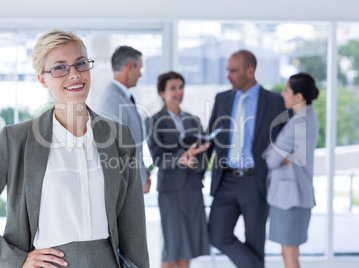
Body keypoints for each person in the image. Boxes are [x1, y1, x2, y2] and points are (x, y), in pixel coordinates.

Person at [0, 28, 149, 268]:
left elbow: (133, 225)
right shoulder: (16, 139)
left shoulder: (119, 136)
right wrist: (13, 260)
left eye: (80, 63)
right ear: (42, 78)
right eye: (60, 68)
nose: (74, 74)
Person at [206, 50, 285, 268]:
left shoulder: (276, 101)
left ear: (250, 71)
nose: (228, 76)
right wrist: (195, 166)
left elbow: (289, 138)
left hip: (256, 180)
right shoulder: (222, 99)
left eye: (233, 71)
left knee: (255, 243)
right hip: (226, 180)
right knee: (216, 235)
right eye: (228, 70)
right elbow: (211, 139)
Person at [145, 71, 210, 268]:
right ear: (162, 92)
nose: (178, 92)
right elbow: (157, 158)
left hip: (192, 188)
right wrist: (182, 159)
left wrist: (194, 162)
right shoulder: (154, 121)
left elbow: (204, 156)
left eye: (181, 87)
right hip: (171, 190)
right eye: (173, 88)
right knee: (172, 245)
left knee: (188, 245)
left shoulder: (194, 120)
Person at [262, 73, 319, 268]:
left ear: (299, 97)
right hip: (292, 196)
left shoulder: (299, 122)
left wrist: (276, 150)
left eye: (287, 91)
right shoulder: (304, 117)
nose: (282, 94)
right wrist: (280, 153)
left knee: (290, 254)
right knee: (288, 252)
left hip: (291, 198)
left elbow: (272, 159)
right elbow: (279, 156)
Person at [96, 45, 151, 193]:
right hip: (123, 185)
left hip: (130, 181)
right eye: (139, 68)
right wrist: (140, 178)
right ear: (129, 67)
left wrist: (142, 173)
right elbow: (118, 146)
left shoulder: (122, 96)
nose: (140, 74)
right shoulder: (111, 99)